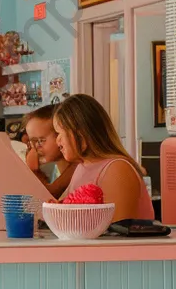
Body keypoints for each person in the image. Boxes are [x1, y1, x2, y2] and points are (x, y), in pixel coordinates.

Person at [53, 94, 154, 222]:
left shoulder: (117, 169)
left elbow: (119, 232)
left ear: (80, 135)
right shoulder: (81, 167)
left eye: (59, 133)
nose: (57, 141)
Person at [24, 105, 77, 198]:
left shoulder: (77, 165)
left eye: (40, 140)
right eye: (32, 141)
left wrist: (34, 170)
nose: (35, 148)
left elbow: (48, 196)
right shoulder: (57, 168)